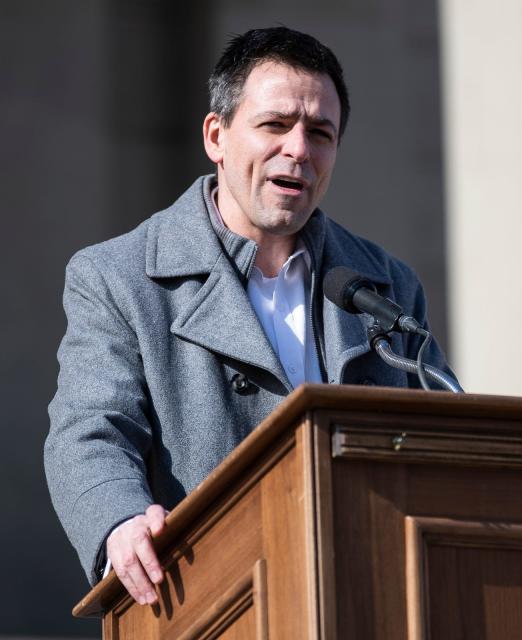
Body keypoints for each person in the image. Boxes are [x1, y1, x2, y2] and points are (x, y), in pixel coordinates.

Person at [44, 26, 453, 606]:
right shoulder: (118, 277)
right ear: (217, 135)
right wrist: (120, 522)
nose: (299, 149)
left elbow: (437, 444)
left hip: (367, 597)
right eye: (275, 125)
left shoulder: (387, 285)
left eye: (320, 133)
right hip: (208, 599)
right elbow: (88, 432)